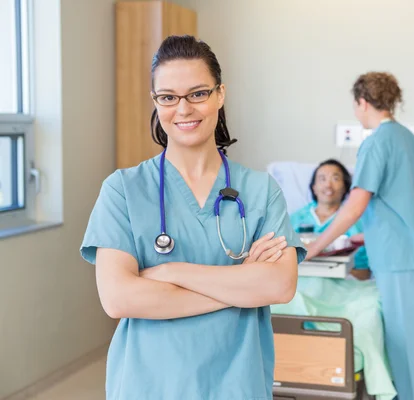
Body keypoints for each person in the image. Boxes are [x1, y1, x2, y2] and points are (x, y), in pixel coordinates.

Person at [80, 35, 306, 400]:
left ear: (219, 95)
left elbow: (279, 287)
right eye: (168, 97)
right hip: (149, 384)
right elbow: (119, 299)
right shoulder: (123, 189)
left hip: (237, 384)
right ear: (156, 102)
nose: (183, 109)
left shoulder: (262, 191)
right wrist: (242, 284)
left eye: (198, 93)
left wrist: (172, 272)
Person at [305, 72, 414, 400]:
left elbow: (353, 207)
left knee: (405, 342)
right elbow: (401, 201)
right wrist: (370, 236)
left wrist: (313, 246)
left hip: (399, 257)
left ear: (363, 102)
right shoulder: (409, 139)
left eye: (356, 105)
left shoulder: (376, 142)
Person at [290, 158, 370, 280]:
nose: (328, 185)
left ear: (345, 187)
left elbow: (363, 273)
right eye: (322, 179)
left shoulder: (355, 224)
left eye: (335, 178)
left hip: (340, 285)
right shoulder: (294, 220)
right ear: (314, 188)